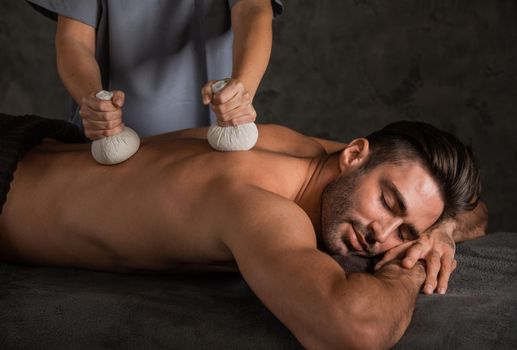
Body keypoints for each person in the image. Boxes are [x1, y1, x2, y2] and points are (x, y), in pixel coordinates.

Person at [0, 116, 487, 349]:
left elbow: (477, 211)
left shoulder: (308, 151)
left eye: (405, 231)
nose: (382, 236)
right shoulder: (264, 209)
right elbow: (354, 330)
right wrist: (410, 266)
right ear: (356, 155)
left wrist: (438, 232)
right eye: (388, 203)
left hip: (30, 145)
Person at [26, 0, 282, 138]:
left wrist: (242, 87)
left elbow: (253, 9)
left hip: (214, 134)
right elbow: (74, 39)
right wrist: (92, 100)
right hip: (109, 136)